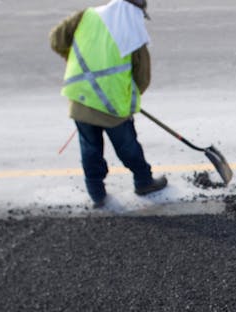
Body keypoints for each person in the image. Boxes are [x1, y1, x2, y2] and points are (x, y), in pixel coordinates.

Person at [50, 0, 167, 208]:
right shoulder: (132, 34)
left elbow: (56, 40)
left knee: (90, 149)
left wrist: (78, 63)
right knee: (128, 147)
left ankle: (96, 193)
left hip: (80, 99)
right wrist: (129, 98)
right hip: (113, 106)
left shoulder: (85, 16)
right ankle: (143, 181)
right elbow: (142, 78)